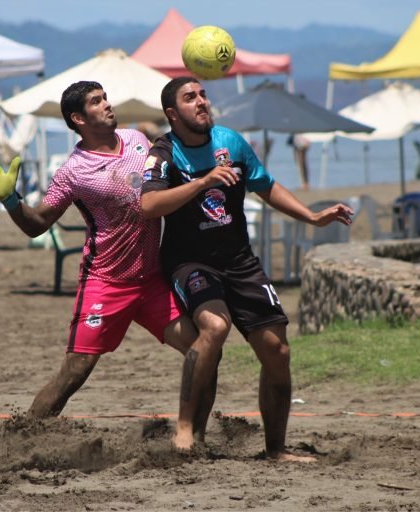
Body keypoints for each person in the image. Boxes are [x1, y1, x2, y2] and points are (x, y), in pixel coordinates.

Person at [0, 81, 216, 442]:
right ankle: (19, 441)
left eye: (105, 98)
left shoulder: (138, 141)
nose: (107, 105)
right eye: (96, 102)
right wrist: (11, 200)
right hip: (105, 283)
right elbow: (37, 224)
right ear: (77, 118)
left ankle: (194, 439)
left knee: (203, 352)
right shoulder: (73, 171)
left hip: (152, 282)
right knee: (75, 370)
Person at [140, 76, 354, 459]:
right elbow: (150, 206)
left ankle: (275, 450)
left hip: (240, 261)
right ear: (172, 113)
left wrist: (312, 217)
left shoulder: (231, 143)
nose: (202, 102)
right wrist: (203, 181)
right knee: (215, 327)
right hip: (190, 262)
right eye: (191, 98)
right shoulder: (162, 153)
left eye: (204, 95)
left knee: (278, 351)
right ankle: (186, 428)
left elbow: (265, 185)